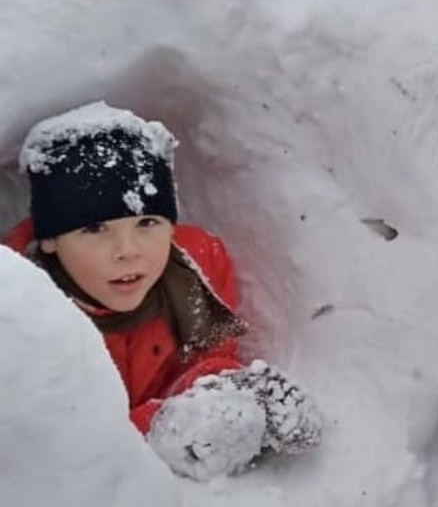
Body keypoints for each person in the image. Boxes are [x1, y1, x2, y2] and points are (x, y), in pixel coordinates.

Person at [3, 101, 322, 480]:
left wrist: (229, 390)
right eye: (95, 229)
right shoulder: (19, 310)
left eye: (148, 222)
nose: (128, 251)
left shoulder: (196, 269)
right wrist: (163, 425)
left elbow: (209, 354)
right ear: (51, 239)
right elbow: (63, 447)